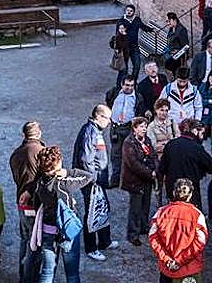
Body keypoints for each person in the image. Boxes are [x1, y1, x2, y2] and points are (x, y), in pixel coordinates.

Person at [32, 145, 94, 283]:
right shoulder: (63, 183)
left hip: (48, 230)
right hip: (67, 231)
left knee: (47, 271)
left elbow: (36, 204)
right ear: (56, 165)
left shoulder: (39, 182)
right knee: (72, 274)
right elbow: (88, 176)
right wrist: (67, 172)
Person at [71, 104, 118, 261]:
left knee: (103, 208)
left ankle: (105, 241)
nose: (109, 122)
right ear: (99, 117)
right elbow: (86, 160)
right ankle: (91, 247)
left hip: (97, 181)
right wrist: (94, 180)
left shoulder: (95, 131)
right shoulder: (90, 132)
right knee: (92, 213)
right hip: (92, 182)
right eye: (107, 118)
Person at [149, 177, 209, 283]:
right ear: (190, 195)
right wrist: (180, 261)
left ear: (173, 193)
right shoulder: (197, 215)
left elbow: (153, 238)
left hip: (167, 270)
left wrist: (166, 259)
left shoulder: (161, 212)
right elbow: (200, 242)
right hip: (189, 270)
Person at [9, 121, 45, 283]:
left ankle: (23, 274)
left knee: (25, 239)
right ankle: (30, 278)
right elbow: (46, 179)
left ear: (24, 135)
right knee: (35, 242)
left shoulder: (16, 154)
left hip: (21, 203)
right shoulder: (41, 152)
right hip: (35, 204)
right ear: (39, 133)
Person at [158, 118, 212, 211]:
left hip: (172, 189)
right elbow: (211, 167)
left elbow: (162, 168)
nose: (202, 137)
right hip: (190, 191)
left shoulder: (171, 144)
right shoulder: (196, 147)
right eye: (202, 133)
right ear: (195, 131)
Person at [121, 116, 158, 246]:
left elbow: (153, 155)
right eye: (142, 127)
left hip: (146, 180)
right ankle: (133, 234)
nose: (144, 129)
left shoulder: (146, 140)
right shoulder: (128, 143)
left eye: (145, 127)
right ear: (135, 128)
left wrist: (156, 168)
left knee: (145, 204)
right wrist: (150, 173)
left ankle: (143, 226)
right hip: (135, 181)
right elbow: (133, 164)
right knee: (135, 208)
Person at [105, 75, 145, 188]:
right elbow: (108, 101)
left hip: (129, 128)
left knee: (130, 154)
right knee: (115, 154)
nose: (129, 88)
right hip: (116, 128)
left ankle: (129, 181)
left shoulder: (138, 97)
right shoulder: (115, 92)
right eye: (127, 85)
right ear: (122, 85)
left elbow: (140, 112)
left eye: (132, 85)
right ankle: (115, 180)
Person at [147, 98, 180, 206]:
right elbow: (153, 146)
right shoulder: (151, 127)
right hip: (159, 160)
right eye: (161, 110)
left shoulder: (172, 122)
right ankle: (159, 206)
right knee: (158, 185)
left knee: (171, 183)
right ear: (156, 110)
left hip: (172, 158)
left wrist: (165, 144)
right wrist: (169, 143)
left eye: (166, 110)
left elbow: (178, 138)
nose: (164, 113)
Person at [122, 3, 154, 81]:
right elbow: (118, 33)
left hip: (134, 47)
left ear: (134, 12)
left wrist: (152, 30)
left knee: (137, 65)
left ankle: (134, 81)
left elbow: (143, 27)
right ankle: (125, 82)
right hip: (125, 47)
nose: (129, 12)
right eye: (127, 11)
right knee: (124, 67)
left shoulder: (137, 20)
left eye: (131, 11)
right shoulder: (121, 21)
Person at [164, 12, 190, 80]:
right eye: (167, 21)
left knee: (169, 64)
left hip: (180, 55)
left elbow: (185, 46)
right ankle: (174, 80)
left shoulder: (181, 30)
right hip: (171, 53)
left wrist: (177, 52)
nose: (167, 23)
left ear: (174, 20)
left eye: (169, 21)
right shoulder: (171, 29)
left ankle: (174, 80)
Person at [109, 21, 131, 89]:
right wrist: (124, 36)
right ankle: (119, 86)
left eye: (122, 28)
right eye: (120, 28)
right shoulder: (118, 36)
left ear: (125, 28)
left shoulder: (125, 35)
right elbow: (123, 45)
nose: (121, 30)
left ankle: (124, 84)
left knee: (124, 72)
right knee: (122, 72)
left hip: (125, 57)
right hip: (121, 58)